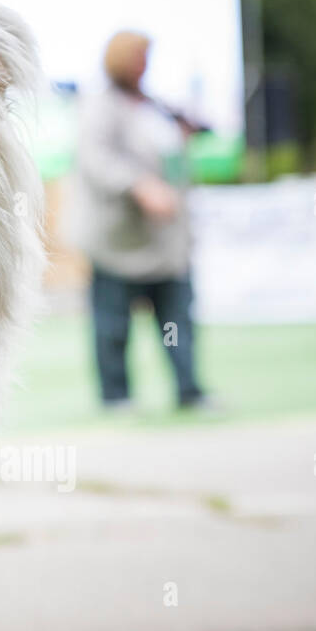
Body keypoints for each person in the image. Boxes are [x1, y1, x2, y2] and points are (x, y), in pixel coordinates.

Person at [75, 30, 209, 411]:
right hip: (119, 239)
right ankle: (116, 396)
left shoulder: (155, 104)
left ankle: (188, 389)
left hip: (166, 240)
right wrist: (139, 186)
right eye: (138, 56)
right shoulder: (99, 106)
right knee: (113, 324)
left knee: (177, 319)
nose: (144, 64)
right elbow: (96, 161)